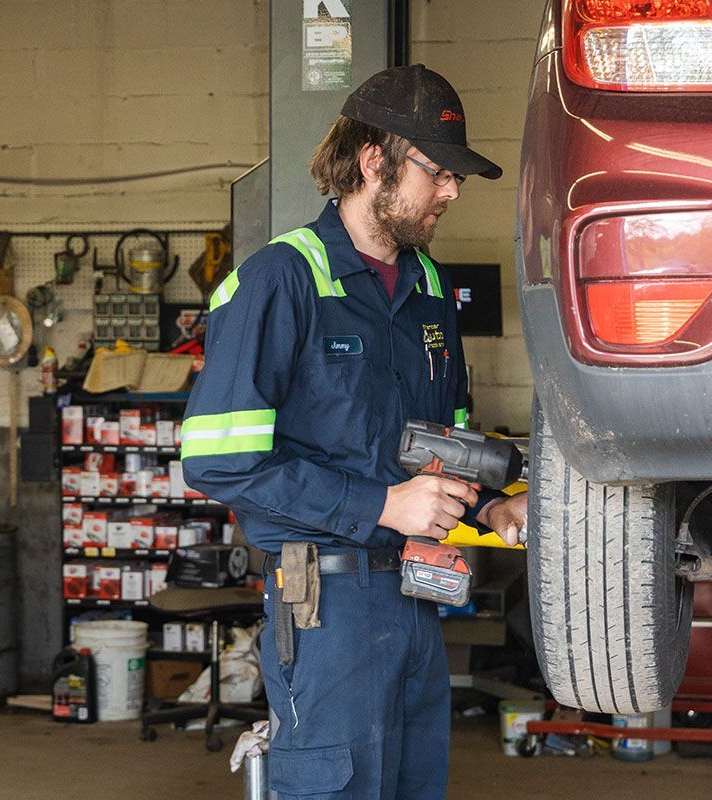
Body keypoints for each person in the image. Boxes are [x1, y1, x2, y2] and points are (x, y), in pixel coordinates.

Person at [179, 64, 528, 799]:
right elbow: (217, 462)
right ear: (375, 162)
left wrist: (491, 510)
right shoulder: (281, 280)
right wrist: (380, 506)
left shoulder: (430, 288)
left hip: (416, 597)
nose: (452, 192)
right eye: (439, 174)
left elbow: (440, 445)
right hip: (325, 612)